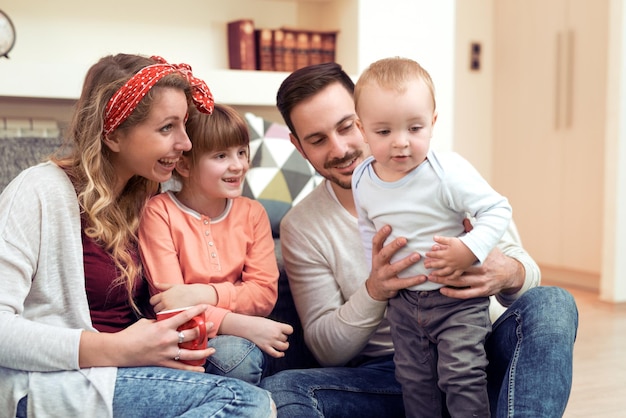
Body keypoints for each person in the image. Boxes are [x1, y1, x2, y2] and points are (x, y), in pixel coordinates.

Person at [259, 61, 578, 418]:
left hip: (477, 351)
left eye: (346, 127)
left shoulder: (443, 174)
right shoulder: (302, 226)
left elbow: (526, 272)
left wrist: (507, 273)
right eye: (317, 140)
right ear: (298, 147)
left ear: (361, 120)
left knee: (553, 303)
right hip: (393, 377)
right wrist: (375, 290)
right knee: (281, 391)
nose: (341, 148)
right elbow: (325, 349)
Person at [0, 53, 276, 418]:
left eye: (184, 126)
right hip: (63, 382)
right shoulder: (38, 190)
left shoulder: (144, 198)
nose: (186, 143)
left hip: (131, 369)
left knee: (254, 381)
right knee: (247, 405)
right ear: (113, 135)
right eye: (167, 128)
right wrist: (120, 349)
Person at [351, 56, 513, 417]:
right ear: (362, 130)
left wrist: (468, 250)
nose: (401, 143)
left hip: (455, 300)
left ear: (433, 123)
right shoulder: (362, 178)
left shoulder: (447, 172)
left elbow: (498, 209)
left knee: (461, 376)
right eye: (383, 132)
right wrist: (375, 273)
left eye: (414, 128)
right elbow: (367, 227)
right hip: (404, 305)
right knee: (414, 380)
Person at [138, 103, 294, 385]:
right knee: (236, 356)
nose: (238, 165)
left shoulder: (253, 214)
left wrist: (202, 293)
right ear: (184, 164)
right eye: (221, 155)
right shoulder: (158, 212)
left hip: (247, 336)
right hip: (188, 338)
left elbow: (263, 295)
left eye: (242, 152)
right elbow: (172, 307)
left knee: (241, 354)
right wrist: (242, 323)